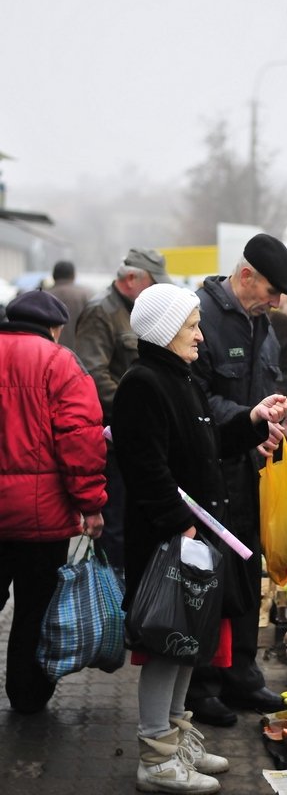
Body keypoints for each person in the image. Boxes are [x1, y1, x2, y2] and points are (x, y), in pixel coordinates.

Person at [110, 283, 287, 794]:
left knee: (187, 644)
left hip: (197, 541)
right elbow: (144, 465)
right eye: (192, 326)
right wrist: (178, 523)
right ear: (167, 331)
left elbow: (210, 441)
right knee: (167, 646)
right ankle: (155, 757)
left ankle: (176, 738)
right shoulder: (143, 383)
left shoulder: (180, 377)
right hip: (171, 543)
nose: (200, 334)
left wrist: (254, 421)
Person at [187, 233, 287, 727]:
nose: (278, 303)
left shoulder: (264, 324)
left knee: (245, 578)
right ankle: (200, 686)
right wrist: (247, 421)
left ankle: (242, 675)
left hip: (251, 475)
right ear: (245, 277)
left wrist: (283, 421)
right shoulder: (199, 318)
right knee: (207, 581)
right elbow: (194, 402)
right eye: (273, 291)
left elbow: (266, 393)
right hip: (208, 475)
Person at [0, 290, 106, 714]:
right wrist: (91, 504)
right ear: (55, 328)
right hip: (38, 519)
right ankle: (27, 696)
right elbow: (80, 441)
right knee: (32, 609)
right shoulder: (59, 362)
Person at [76, 248, 173, 573]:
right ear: (131, 278)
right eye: (152, 283)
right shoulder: (101, 310)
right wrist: (138, 408)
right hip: (113, 437)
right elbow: (93, 374)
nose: (156, 291)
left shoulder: (135, 310)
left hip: (136, 435)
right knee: (114, 523)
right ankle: (114, 600)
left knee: (136, 518)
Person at [48, 260, 94, 351]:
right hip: (79, 354)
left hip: (49, 352)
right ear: (73, 275)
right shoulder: (86, 295)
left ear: (53, 275)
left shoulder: (44, 295)